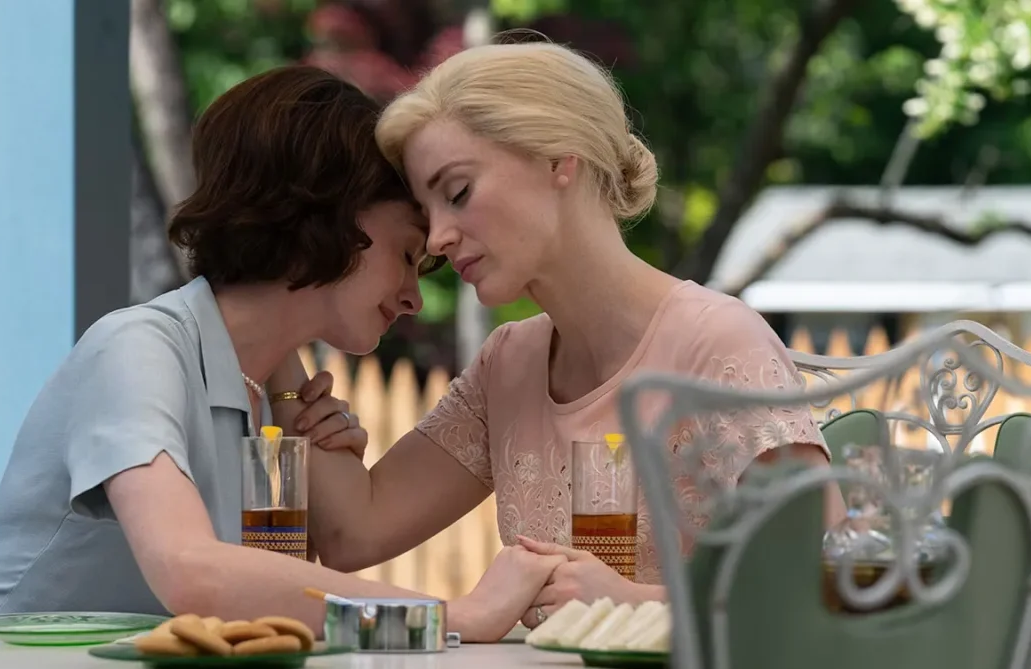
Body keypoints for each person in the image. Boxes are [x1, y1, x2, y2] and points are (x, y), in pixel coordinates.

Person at [0, 66, 563, 642]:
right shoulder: (136, 350)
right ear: (326, 214)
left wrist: (310, 455)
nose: (414, 298)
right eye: (406, 254)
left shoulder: (269, 390)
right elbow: (192, 573)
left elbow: (269, 608)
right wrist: (455, 617)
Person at [273, 40, 845, 630]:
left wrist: (634, 602)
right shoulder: (508, 363)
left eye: (458, 192)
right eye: (427, 212)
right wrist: (277, 322)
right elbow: (355, 533)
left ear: (558, 161)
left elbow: (832, 584)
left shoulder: (717, 342)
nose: (438, 237)